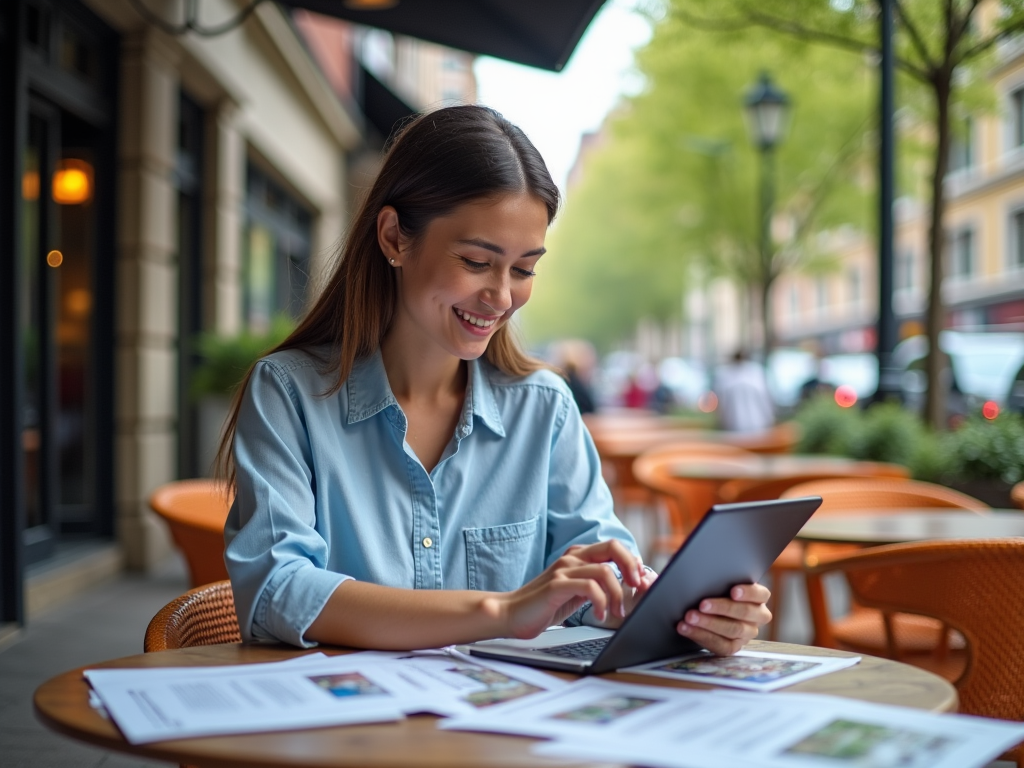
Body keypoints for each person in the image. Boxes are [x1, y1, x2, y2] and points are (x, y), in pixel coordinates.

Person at [221, 106, 770, 655]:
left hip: (507, 732)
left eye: (525, 269)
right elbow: (277, 591)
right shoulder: (288, 394)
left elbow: (599, 570)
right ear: (394, 237)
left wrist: (681, 611)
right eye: (477, 261)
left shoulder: (544, 409)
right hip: (346, 732)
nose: (503, 296)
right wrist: (505, 611)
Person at [715, 350, 775, 433]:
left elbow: (721, 404)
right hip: (756, 425)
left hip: (735, 426)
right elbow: (766, 400)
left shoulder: (724, 375)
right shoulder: (757, 373)